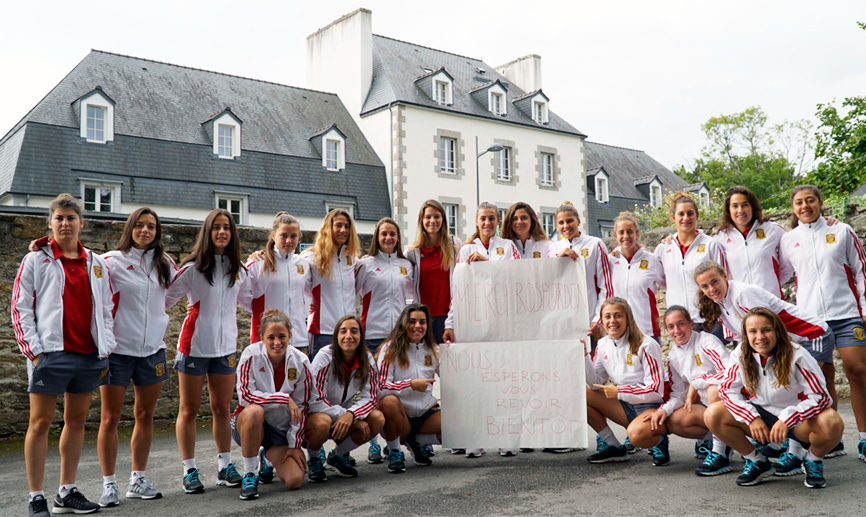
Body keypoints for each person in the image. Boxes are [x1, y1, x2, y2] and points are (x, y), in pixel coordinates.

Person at [13, 193, 117, 516]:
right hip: (51, 354)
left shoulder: (96, 263)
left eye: (71, 218)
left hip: (88, 355)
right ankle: (35, 497)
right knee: (41, 423)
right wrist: (34, 353)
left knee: (76, 421)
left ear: (81, 223)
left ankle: (66, 491)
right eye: (59, 218)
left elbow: (108, 307)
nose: (65, 223)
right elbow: (20, 308)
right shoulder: (36, 259)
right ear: (50, 223)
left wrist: (107, 345)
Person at [705, 308, 844, 488]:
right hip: (761, 414)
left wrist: (788, 418)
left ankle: (812, 459)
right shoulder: (741, 353)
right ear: (746, 335)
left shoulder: (797, 354)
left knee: (832, 422)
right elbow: (726, 390)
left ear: (777, 331)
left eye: (766, 330)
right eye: (753, 331)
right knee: (713, 414)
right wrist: (751, 417)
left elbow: (822, 397)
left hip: (795, 420)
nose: (760, 337)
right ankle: (757, 461)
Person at [165, 208, 253, 494]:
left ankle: (225, 466)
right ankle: (189, 469)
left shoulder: (239, 269)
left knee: (222, 409)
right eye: (216, 227)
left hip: (225, 348)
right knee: (189, 410)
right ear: (208, 231)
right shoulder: (192, 269)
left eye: (227, 227)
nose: (222, 232)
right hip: (194, 347)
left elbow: (253, 300)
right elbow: (164, 298)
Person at [779, 184, 866, 461]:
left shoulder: (841, 231)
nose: (805, 206)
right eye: (799, 203)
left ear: (820, 203)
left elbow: (861, 270)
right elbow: (777, 273)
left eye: (810, 201)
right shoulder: (788, 239)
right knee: (821, 379)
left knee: (858, 371)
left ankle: (864, 438)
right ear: (793, 208)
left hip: (847, 314)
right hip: (812, 322)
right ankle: (833, 439)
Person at [96, 208, 174, 506]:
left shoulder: (164, 263)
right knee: (110, 417)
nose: (145, 231)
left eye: (151, 226)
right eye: (139, 225)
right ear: (130, 228)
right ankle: (109, 484)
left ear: (157, 231)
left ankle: (137, 479)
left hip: (152, 351)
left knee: (144, 415)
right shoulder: (111, 262)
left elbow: (190, 279)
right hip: (117, 353)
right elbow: (80, 268)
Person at [443, 201, 518, 458]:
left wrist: (487, 264)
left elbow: (516, 281)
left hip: (503, 324)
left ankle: (506, 436)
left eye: (492, 218)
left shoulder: (509, 247)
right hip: (473, 323)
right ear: (476, 221)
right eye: (483, 218)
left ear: (498, 221)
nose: (487, 223)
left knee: (504, 381)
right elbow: (458, 291)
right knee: (478, 381)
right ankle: (477, 437)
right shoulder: (465, 250)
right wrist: (450, 323)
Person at [630, 306, 731, 474]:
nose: (677, 330)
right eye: (671, 326)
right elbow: (679, 395)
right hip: (705, 409)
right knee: (674, 419)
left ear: (691, 324)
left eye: (681, 324)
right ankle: (719, 441)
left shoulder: (707, 341)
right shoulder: (673, 357)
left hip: (729, 405)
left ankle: (720, 453)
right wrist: (663, 410)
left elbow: (730, 374)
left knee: (713, 390)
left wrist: (697, 383)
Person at [232, 309, 311, 500]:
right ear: (262, 337)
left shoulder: (301, 361)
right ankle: (250, 474)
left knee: (294, 481)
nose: (277, 342)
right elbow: (245, 397)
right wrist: (283, 398)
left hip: (279, 431)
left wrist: (294, 444)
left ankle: (266, 457)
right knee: (254, 412)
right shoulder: (250, 355)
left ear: (290, 336)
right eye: (271, 337)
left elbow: (302, 406)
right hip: (247, 424)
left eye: (282, 336)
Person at [584, 297, 665, 464]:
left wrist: (621, 392)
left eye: (618, 315)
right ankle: (613, 446)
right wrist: (584, 356)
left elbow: (656, 390)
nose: (612, 321)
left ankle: (660, 441)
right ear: (602, 320)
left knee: (636, 437)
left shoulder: (646, 345)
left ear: (628, 318)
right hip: (625, 403)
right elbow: (594, 382)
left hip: (650, 405)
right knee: (582, 394)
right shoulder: (603, 344)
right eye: (607, 316)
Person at [305, 315, 385, 481]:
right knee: (323, 422)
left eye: (354, 331)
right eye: (343, 331)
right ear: (336, 336)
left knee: (377, 418)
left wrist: (352, 415)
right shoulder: (325, 356)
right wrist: (347, 416)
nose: (349, 335)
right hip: (318, 417)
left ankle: (337, 456)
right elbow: (315, 401)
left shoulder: (367, 358)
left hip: (346, 417)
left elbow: (371, 398)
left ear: (361, 336)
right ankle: (313, 459)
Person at [376, 304, 441, 473]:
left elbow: (453, 378)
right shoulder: (389, 349)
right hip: (400, 416)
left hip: (425, 413)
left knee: (455, 424)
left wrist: (454, 351)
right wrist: (410, 384)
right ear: (403, 323)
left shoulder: (434, 350)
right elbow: (380, 387)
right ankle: (395, 450)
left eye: (422, 322)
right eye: (412, 321)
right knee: (388, 402)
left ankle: (416, 441)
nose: (417, 326)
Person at [654, 192, 727, 338]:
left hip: (709, 319)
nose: (686, 218)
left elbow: (724, 279)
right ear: (673, 217)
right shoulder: (663, 248)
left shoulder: (710, 244)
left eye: (690, 213)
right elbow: (663, 279)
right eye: (681, 214)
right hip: (680, 322)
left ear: (697, 216)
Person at [547, 201, 613, 346]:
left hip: (590, 324)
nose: (566, 226)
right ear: (556, 226)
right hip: (563, 325)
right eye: (561, 222)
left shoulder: (595, 244)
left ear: (578, 221)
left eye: (570, 221)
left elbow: (606, 287)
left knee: (596, 366)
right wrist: (558, 259)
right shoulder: (552, 249)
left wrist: (599, 319)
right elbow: (547, 286)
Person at [246, 212, 312, 352]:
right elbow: (238, 291)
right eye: (284, 236)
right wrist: (257, 309)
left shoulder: (303, 264)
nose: (289, 241)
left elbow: (310, 292)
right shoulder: (258, 262)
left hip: (298, 337)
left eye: (293, 236)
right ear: (273, 235)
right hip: (267, 338)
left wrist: (314, 305)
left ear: (299, 237)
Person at [301, 209, 361, 359]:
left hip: (348, 333)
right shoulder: (312, 257)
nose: (343, 230)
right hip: (322, 331)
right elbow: (294, 279)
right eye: (338, 225)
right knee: (320, 379)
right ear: (329, 228)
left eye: (347, 226)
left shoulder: (353, 259)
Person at [713, 186, 791, 298]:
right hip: (742, 304)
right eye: (735, 206)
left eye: (745, 205)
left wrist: (774, 284)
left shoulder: (772, 230)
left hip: (771, 301)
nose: (740, 210)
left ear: (752, 207)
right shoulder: (721, 238)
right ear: (728, 209)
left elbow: (789, 260)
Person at [404, 200, 462, 345]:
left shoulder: (454, 245)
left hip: (450, 318)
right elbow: (404, 280)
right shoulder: (412, 252)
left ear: (443, 219)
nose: (432, 221)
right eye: (428, 217)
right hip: (423, 320)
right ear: (421, 221)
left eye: (437, 216)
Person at [609, 212, 665, 341]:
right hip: (618, 332)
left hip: (647, 330)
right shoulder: (610, 261)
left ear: (637, 234)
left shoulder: (652, 260)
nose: (626, 236)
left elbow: (671, 283)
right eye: (621, 232)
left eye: (630, 232)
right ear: (616, 236)